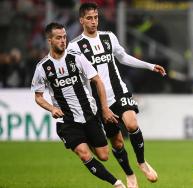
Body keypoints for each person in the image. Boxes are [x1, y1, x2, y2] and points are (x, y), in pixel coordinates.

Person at [67, 3, 166, 188]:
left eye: (95, 17)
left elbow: (123, 57)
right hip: (99, 101)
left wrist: (150, 65)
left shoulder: (108, 37)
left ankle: (142, 162)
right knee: (118, 142)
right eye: (89, 18)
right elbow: (75, 78)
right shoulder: (74, 47)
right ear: (81, 20)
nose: (93, 21)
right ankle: (129, 174)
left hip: (119, 90)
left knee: (132, 124)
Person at [31, 22, 126, 188]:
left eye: (64, 37)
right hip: (67, 121)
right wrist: (52, 108)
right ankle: (117, 184)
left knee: (104, 156)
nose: (63, 40)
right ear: (50, 40)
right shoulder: (42, 67)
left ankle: (86, 139)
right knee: (84, 154)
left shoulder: (76, 57)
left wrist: (104, 109)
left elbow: (97, 80)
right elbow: (38, 96)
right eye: (58, 38)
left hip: (88, 114)